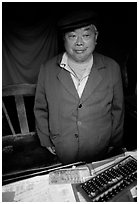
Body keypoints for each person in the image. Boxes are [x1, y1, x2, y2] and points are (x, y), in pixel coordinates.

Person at [34, 10, 124, 164]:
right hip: (63, 150)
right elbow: (40, 109)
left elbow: (118, 109)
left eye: (86, 35)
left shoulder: (111, 68)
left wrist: (114, 142)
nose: (79, 42)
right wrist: (46, 140)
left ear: (96, 37)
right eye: (72, 36)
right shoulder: (47, 69)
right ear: (64, 39)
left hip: (100, 150)